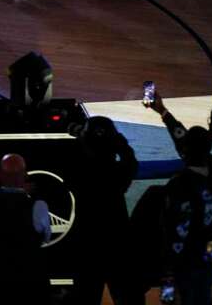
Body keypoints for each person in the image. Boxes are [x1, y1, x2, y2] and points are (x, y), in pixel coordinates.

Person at [70, 117, 139, 305]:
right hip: (117, 242)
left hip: (88, 244)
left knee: (86, 296)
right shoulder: (117, 173)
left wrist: (80, 138)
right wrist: (119, 141)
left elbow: (75, 157)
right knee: (126, 296)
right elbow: (131, 161)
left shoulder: (79, 171)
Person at [0, 154, 51, 305]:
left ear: (0, 176)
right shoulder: (39, 207)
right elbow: (46, 238)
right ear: (24, 176)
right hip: (30, 286)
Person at [161, 125, 212, 305]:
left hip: (183, 258)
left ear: (185, 150)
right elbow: (191, 145)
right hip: (210, 252)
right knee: (204, 293)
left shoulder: (178, 184)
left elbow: (170, 228)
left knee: (177, 297)